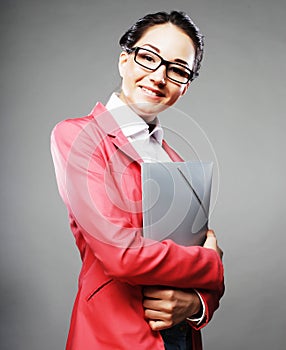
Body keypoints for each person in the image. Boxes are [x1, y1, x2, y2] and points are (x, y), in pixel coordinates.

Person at [51, 10, 224, 350]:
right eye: (148, 58)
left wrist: (198, 305)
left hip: (180, 340)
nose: (159, 76)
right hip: (113, 336)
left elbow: (198, 253)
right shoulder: (79, 137)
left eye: (177, 69)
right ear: (124, 61)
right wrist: (212, 263)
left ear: (185, 86)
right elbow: (122, 255)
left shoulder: (176, 159)